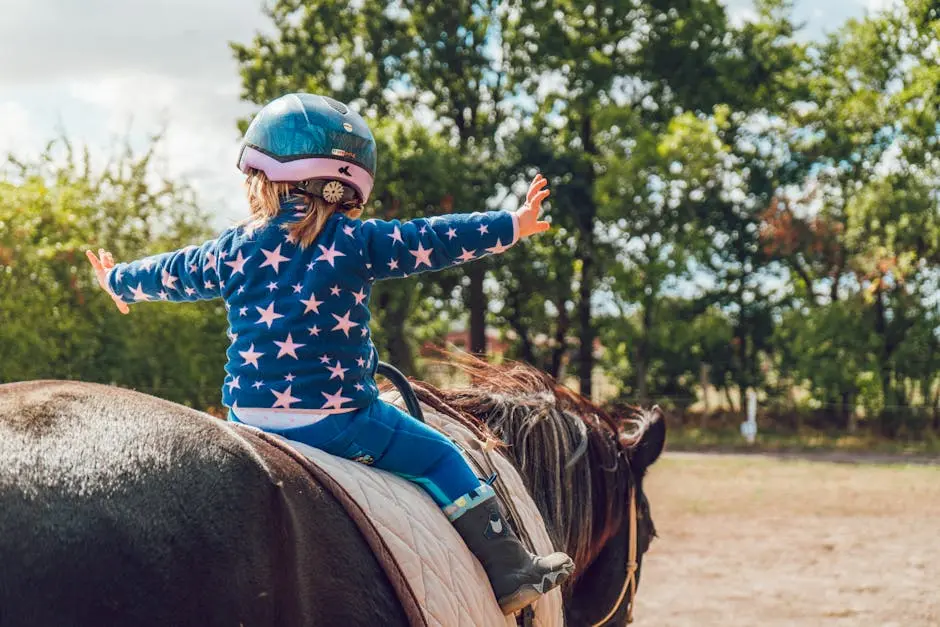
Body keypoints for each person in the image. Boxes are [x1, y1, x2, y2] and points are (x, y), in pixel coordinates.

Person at [86, 93, 574, 614]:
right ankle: (509, 569)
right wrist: (512, 226)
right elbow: (433, 237)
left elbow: (175, 271)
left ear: (261, 179)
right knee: (440, 455)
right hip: (338, 421)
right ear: (348, 188)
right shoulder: (357, 241)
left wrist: (118, 281)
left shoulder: (232, 247)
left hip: (247, 421)